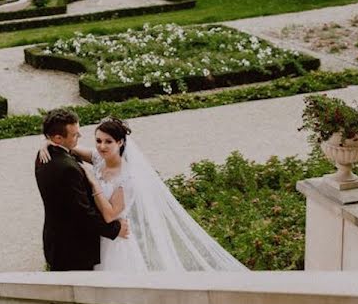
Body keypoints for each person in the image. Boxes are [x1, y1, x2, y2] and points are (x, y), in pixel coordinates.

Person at [39, 117, 247, 272]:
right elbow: (70, 148)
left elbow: (111, 215)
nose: (102, 146)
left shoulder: (126, 177)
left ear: (120, 143)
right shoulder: (98, 159)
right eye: (99, 140)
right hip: (97, 238)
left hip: (116, 241)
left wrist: (93, 183)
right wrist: (48, 142)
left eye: (108, 141)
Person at [35, 109, 130, 271]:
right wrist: (115, 230)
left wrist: (46, 142)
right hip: (74, 247)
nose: (79, 138)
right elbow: (82, 213)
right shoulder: (67, 168)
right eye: (75, 135)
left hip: (63, 240)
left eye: (108, 141)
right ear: (58, 138)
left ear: (120, 143)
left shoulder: (44, 155)